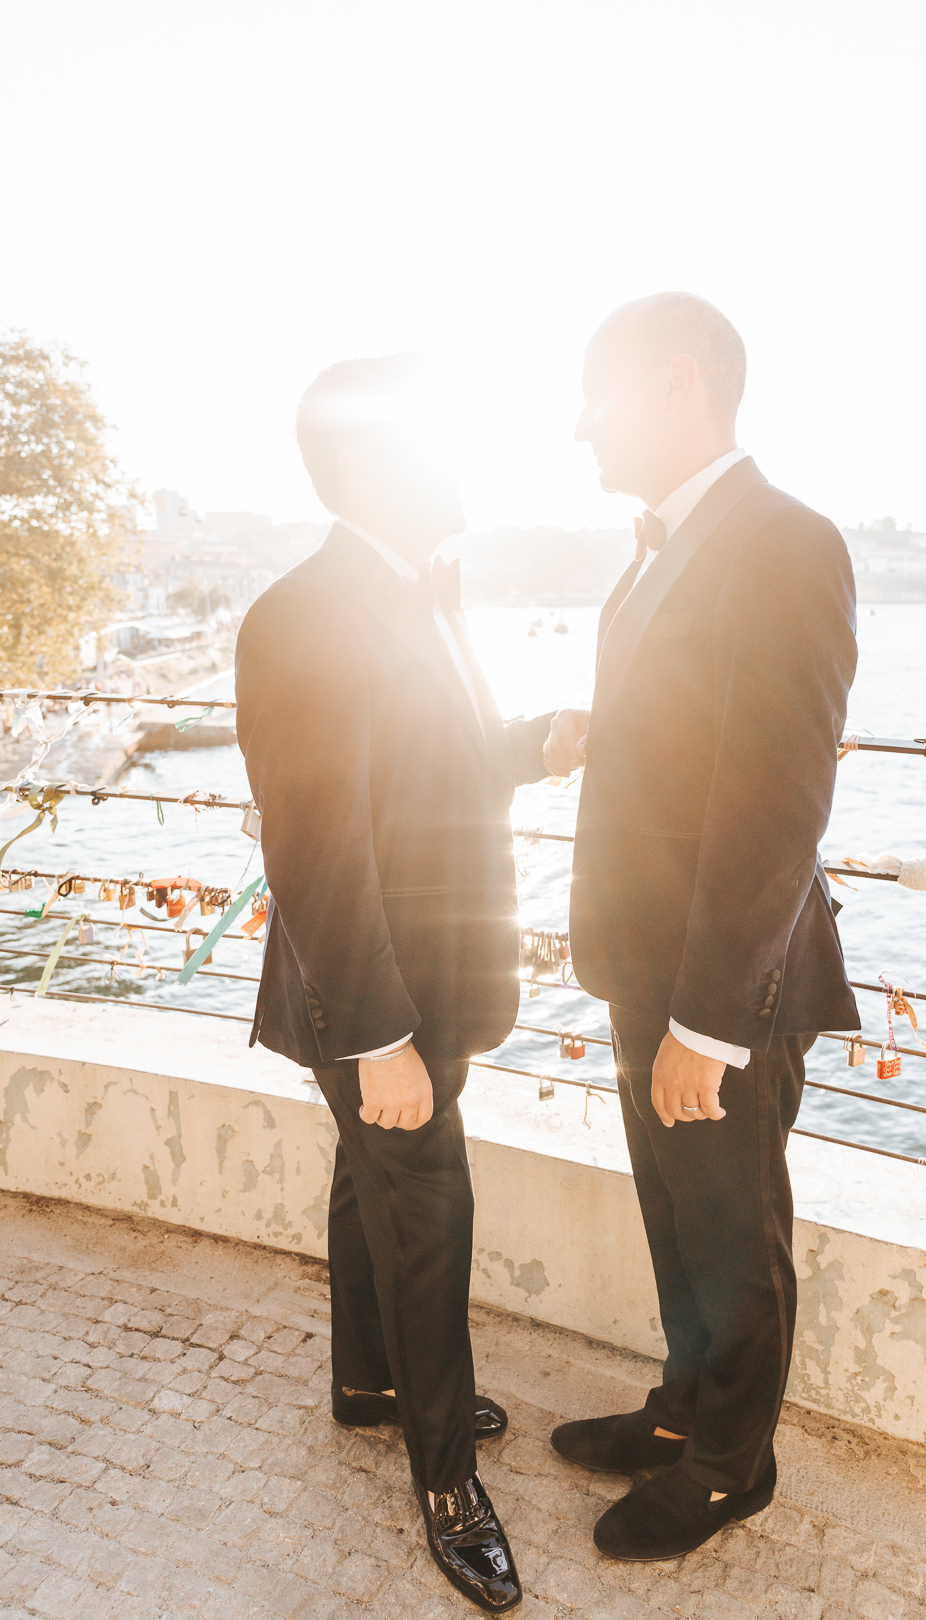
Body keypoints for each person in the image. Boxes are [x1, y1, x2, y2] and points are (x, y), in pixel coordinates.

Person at [545, 293, 861, 1561]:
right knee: (677, 1218)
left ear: (679, 384)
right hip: (647, 965)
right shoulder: (659, 553)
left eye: (597, 395)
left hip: (722, 986)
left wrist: (710, 1024)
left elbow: (777, 800)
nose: (581, 427)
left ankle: (731, 1467)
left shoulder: (786, 543)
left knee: (731, 1233)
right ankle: (682, 1412)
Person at [235, 355, 554, 1614]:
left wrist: (539, 744)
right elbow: (317, 845)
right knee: (429, 1216)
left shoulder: (424, 592)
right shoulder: (303, 614)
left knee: (368, 1185)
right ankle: (446, 1485)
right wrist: (377, 1040)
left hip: (435, 978)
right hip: (376, 997)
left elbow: (438, 766)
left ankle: (368, 1381)